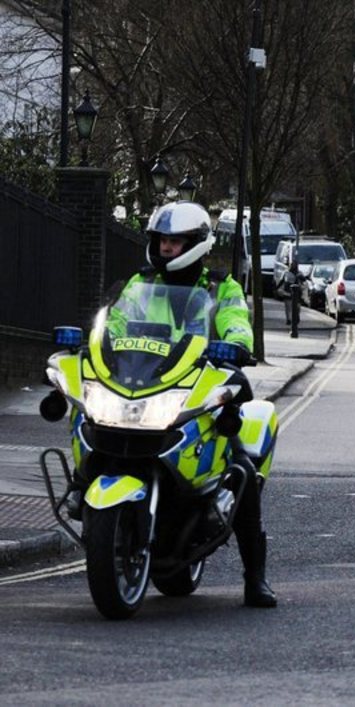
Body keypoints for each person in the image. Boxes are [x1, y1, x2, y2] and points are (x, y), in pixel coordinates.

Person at [101, 201, 276, 608]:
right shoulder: (140, 284)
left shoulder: (221, 287)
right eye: (162, 240)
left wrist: (235, 345)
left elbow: (235, 322)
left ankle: (256, 578)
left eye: (174, 241)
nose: (165, 248)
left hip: (197, 386)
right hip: (143, 385)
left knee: (241, 469)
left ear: (196, 243)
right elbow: (115, 324)